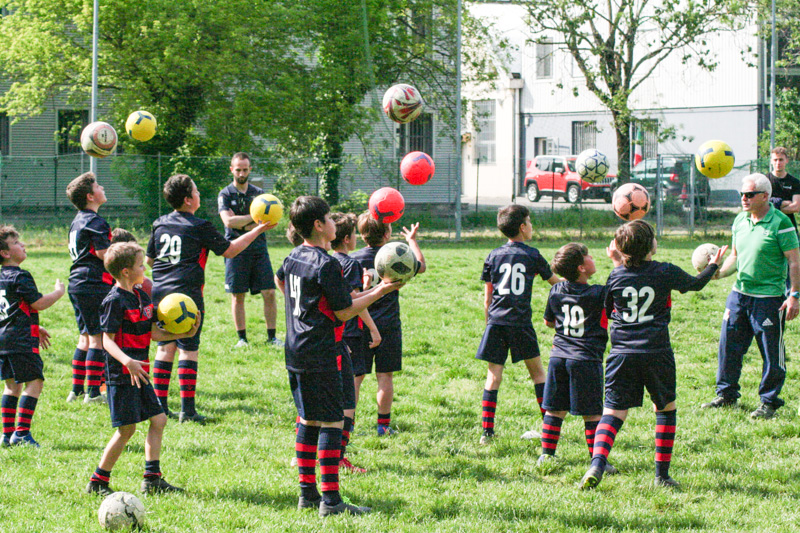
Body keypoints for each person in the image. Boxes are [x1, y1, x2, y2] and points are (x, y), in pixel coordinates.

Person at [275, 196, 401, 516]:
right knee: (331, 421)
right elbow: (345, 312)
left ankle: (307, 494)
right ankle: (331, 501)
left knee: (308, 418)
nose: (334, 222)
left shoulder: (292, 256)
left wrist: (300, 309)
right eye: (329, 218)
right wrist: (381, 290)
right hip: (321, 349)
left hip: (295, 348)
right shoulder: (327, 263)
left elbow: (280, 279)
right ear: (319, 226)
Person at [581, 220, 727, 490]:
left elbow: (609, 307)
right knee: (665, 409)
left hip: (622, 353)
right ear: (651, 246)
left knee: (613, 412)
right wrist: (714, 265)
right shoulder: (665, 271)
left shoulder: (615, 276)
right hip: (656, 351)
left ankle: (597, 463)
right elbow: (695, 285)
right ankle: (661, 476)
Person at [146, 174, 272, 423]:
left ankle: (160, 407)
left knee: (164, 348)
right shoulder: (199, 226)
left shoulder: (159, 223)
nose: (199, 194)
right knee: (188, 350)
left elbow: (150, 260)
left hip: (160, 294)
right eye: (196, 190)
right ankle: (188, 410)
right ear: (188, 199)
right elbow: (231, 250)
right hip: (187, 295)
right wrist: (259, 228)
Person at [86, 242, 200, 496]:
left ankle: (152, 479)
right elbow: (107, 339)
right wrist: (127, 361)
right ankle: (97, 481)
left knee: (158, 420)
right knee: (126, 430)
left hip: (142, 372)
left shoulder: (141, 296)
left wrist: (182, 331)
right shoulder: (114, 301)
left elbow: (152, 332)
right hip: (122, 375)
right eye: (140, 264)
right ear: (126, 271)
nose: (144, 267)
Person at [701, 173, 800, 419]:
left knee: (771, 353)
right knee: (729, 347)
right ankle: (726, 395)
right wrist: (719, 273)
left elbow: (795, 261)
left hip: (769, 299)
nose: (743, 199)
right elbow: (735, 255)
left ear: (765, 196)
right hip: (739, 295)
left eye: (749, 194)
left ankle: (769, 402)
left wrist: (795, 295)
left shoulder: (781, 223)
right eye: (742, 194)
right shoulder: (740, 221)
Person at [475, 204, 559, 446]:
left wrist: (488, 323)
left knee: (494, 375)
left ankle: (487, 432)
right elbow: (556, 284)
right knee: (538, 374)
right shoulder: (533, 255)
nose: (532, 226)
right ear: (522, 227)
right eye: (530, 222)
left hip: (497, 321)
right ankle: (549, 428)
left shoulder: (493, 255)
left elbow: (487, 298)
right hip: (521, 323)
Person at [538, 243, 615, 475]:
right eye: (588, 256)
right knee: (592, 413)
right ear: (582, 268)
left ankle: (546, 455)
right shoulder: (599, 293)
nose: (593, 257)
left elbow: (548, 322)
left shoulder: (556, 290)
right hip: (586, 359)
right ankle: (597, 461)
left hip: (558, 357)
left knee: (554, 409)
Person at [351, 213, 426, 436]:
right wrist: (412, 240)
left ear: (362, 235)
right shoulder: (397, 254)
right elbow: (421, 267)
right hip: (389, 324)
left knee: (356, 376)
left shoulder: (354, 259)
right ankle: (383, 426)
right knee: (385, 376)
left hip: (360, 324)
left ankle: (349, 423)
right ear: (387, 234)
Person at [0, 226, 64, 447]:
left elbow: (12, 309)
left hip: (4, 340)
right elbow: (38, 303)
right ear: (5, 253)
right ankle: (22, 433)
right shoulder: (21, 276)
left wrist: (37, 327)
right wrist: (58, 292)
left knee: (11, 385)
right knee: (34, 381)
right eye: (16, 243)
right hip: (20, 340)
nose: (23, 245)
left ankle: (7, 435)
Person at [330, 212, 381, 473]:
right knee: (349, 395)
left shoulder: (324, 259)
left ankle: (304, 453)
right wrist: (374, 329)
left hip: (330, 334)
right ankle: (339, 456)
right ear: (349, 239)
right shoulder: (347, 263)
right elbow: (353, 301)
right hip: (349, 333)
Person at [217, 153, 281, 348]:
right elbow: (228, 221)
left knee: (269, 292)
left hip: (259, 248)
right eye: (238, 169)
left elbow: (269, 220)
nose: (242, 173)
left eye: (245, 169)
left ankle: (272, 337)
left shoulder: (260, 194)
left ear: (250, 169)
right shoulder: (225, 194)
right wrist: (253, 219)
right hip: (235, 249)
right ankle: (242, 339)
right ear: (232, 170)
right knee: (238, 294)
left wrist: (242, 222)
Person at [66, 172, 113, 404]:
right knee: (98, 338)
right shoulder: (95, 221)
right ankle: (94, 393)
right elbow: (104, 255)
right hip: (93, 283)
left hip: (76, 282)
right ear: (90, 196)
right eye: (98, 185)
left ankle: (76, 390)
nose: (102, 187)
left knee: (84, 337)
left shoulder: (77, 220)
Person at [767, 147, 800, 234]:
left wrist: (773, 208)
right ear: (771, 161)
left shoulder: (795, 182)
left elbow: (796, 207)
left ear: (787, 160)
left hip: (788, 225)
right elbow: (761, 204)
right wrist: (784, 203)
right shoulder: (764, 180)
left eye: (781, 160)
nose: (778, 163)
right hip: (768, 226)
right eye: (775, 160)